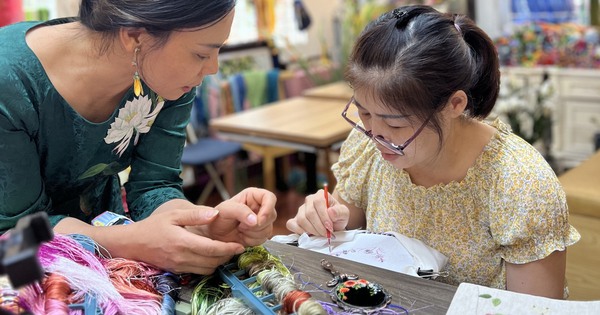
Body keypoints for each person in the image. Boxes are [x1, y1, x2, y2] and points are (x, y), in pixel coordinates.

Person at [286, 5, 580, 299]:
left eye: (395, 124)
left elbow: (534, 308)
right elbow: (345, 223)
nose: (374, 135)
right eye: (364, 113)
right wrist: (324, 219)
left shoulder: (520, 184)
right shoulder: (367, 145)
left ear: (455, 104)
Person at [0, 0, 277, 275]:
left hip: (103, 247)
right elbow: (17, 233)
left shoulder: (164, 76)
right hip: (18, 263)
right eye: (202, 54)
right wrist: (132, 242)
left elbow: (155, 185)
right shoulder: (9, 83)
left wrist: (202, 223)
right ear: (134, 36)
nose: (212, 68)